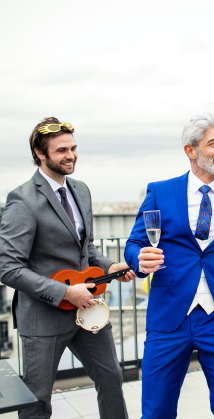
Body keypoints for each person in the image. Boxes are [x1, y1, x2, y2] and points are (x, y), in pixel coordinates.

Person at [124, 112, 214, 419]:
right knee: (156, 412)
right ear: (191, 150)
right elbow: (134, 244)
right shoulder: (160, 191)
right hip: (169, 316)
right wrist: (138, 259)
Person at [0, 117, 135, 419]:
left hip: (87, 309)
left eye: (73, 148)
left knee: (111, 378)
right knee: (37, 402)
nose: (70, 155)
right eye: (61, 150)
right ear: (39, 153)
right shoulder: (22, 200)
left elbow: (85, 249)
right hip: (43, 318)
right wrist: (65, 292)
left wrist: (110, 265)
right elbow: (8, 268)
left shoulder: (81, 190)